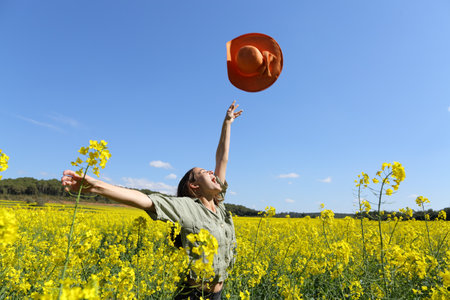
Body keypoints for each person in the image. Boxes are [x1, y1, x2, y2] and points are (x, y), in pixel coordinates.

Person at [61, 101, 243, 300]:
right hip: (193, 295)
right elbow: (144, 200)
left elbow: (221, 159)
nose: (211, 172)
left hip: (218, 294)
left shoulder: (220, 205)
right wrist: (96, 186)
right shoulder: (185, 208)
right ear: (194, 186)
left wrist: (227, 123)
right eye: (202, 172)